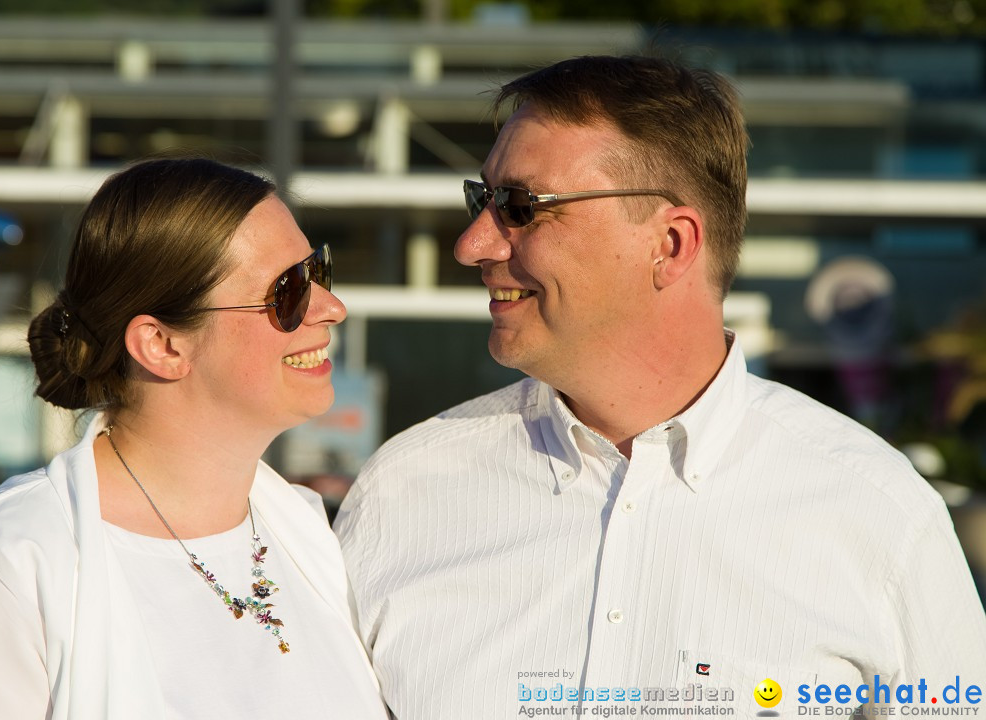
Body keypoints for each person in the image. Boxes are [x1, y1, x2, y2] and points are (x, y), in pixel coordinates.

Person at [334, 56, 986, 718]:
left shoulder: (876, 515)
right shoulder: (404, 495)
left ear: (671, 245)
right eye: (484, 200)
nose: (473, 244)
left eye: (521, 207)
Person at [0, 158, 388, 719]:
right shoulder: (9, 557)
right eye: (289, 291)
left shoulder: (308, 534)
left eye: (318, 272)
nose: (332, 308)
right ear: (161, 344)